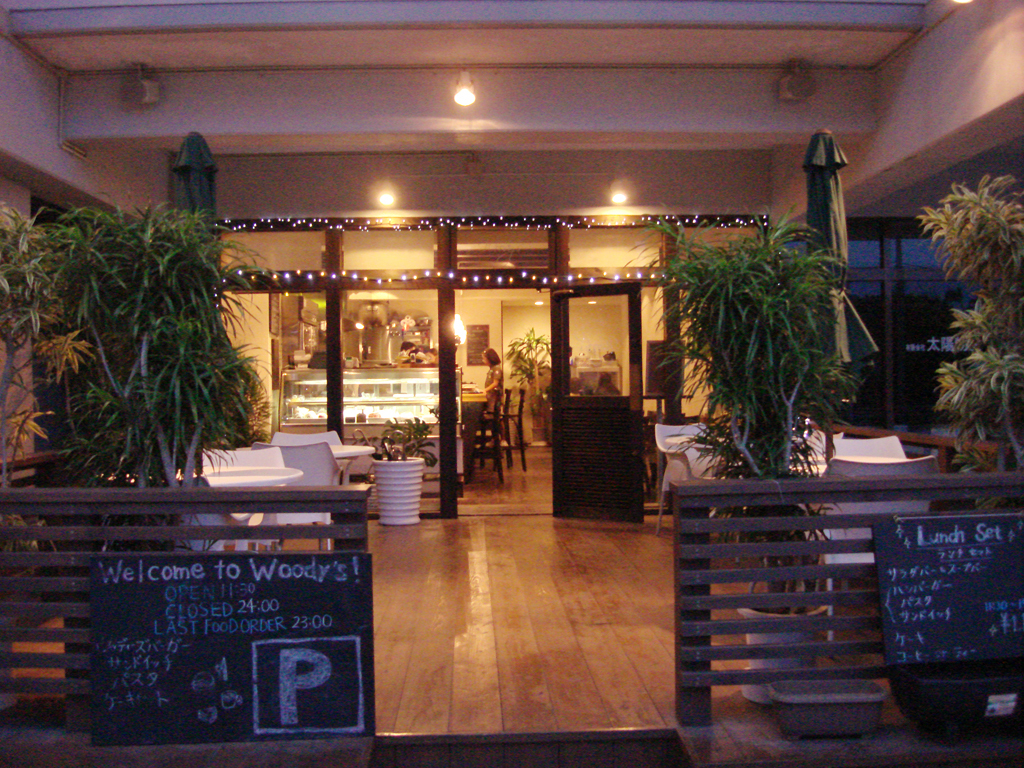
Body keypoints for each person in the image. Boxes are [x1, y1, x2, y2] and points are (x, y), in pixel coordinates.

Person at [481, 347, 503, 413]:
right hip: (490, 396)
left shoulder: (496, 368)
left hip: (494, 397)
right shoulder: (492, 368)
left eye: (484, 359)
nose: (483, 361)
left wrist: (485, 390)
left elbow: (495, 383)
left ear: (490, 359)